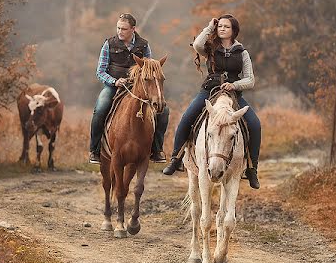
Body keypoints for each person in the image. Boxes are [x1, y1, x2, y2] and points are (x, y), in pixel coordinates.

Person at [162, 15, 262, 189]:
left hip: (233, 95)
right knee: (187, 117)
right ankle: (175, 159)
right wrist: (209, 27)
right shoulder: (210, 47)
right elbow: (197, 45)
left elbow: (250, 80)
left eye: (226, 27)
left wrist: (234, 85)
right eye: (220, 26)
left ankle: (252, 169)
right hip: (209, 91)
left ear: (234, 30)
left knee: (255, 125)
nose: (222, 29)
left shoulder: (242, 52)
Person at [88, 13, 169, 164]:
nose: (120, 31)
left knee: (164, 111)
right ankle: (95, 150)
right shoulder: (109, 44)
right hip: (114, 86)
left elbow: (149, 68)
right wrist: (114, 81)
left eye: (124, 29)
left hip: (138, 87)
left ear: (133, 29)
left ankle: (157, 150)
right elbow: (100, 71)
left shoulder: (143, 45)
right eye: (118, 28)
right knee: (100, 109)